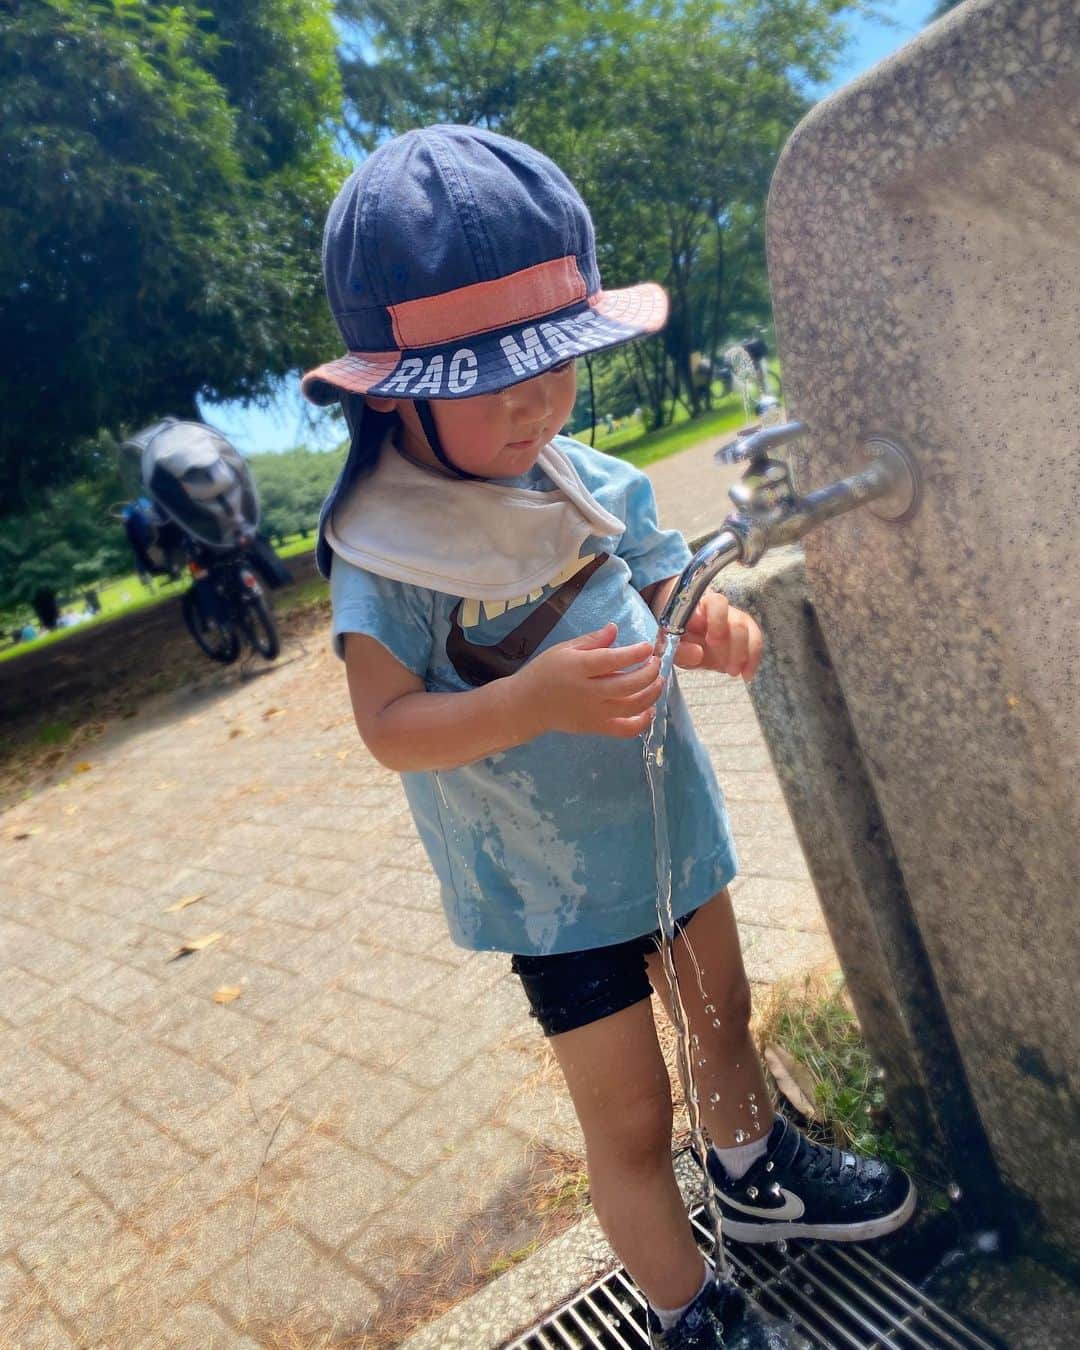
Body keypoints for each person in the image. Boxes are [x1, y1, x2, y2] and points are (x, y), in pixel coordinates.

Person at [301, 126, 914, 1350]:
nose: (537, 404)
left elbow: (669, 588)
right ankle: (687, 1307)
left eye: (558, 368)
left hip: (666, 827)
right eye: (493, 385)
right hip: (550, 889)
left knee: (727, 1020)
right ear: (399, 399)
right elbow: (389, 728)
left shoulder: (585, 481)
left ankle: (755, 1172)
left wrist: (711, 627)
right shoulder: (391, 547)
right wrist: (530, 701)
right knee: (629, 1121)